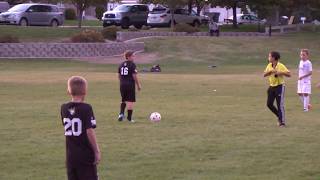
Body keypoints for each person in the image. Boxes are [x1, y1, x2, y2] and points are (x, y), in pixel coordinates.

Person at [61, 76, 101, 180]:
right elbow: (89, 131)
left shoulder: (64, 108)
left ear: (69, 91)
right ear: (85, 91)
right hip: (85, 155)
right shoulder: (86, 108)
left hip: (70, 156)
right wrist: (96, 151)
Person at [263, 51, 291, 127]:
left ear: (274, 58)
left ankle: (282, 122)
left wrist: (280, 72)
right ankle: (279, 116)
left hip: (280, 87)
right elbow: (264, 74)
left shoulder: (281, 65)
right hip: (271, 87)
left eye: (269, 56)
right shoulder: (269, 65)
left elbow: (289, 74)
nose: (268, 58)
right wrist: (270, 71)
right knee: (269, 104)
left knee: (280, 105)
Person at [118, 50, 141, 123]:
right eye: (133, 56)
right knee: (130, 101)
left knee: (123, 100)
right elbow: (134, 75)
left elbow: (119, 75)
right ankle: (129, 118)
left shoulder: (121, 64)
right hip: (130, 85)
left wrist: (122, 82)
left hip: (122, 84)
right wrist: (138, 85)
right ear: (128, 57)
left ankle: (121, 114)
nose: (134, 57)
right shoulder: (132, 64)